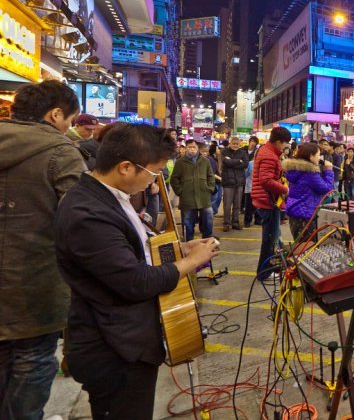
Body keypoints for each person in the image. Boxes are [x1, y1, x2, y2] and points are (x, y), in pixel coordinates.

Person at [54, 124, 219, 419]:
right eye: (153, 171)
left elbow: (135, 251)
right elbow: (135, 281)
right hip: (113, 348)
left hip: (127, 339)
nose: (155, 180)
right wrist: (193, 262)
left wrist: (182, 249)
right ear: (126, 167)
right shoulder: (87, 214)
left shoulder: (112, 197)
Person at [0, 81, 85, 419]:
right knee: (33, 361)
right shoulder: (61, 152)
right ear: (55, 114)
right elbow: (79, 223)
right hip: (35, 284)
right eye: (69, 120)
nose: (69, 128)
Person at [252, 127, 292, 279]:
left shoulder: (266, 151)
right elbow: (266, 180)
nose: (286, 146)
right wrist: (285, 189)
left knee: (272, 238)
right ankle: (264, 273)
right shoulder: (269, 155)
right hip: (268, 202)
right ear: (277, 142)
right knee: (269, 240)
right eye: (284, 143)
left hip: (265, 200)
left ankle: (269, 268)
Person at [284, 143, 334, 243]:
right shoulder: (310, 173)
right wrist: (328, 171)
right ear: (311, 156)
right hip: (306, 214)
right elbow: (326, 189)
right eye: (318, 155)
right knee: (307, 247)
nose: (320, 158)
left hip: (295, 211)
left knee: (300, 246)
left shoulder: (295, 169)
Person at [170, 139, 216, 242]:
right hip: (187, 198)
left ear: (197, 148)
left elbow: (211, 176)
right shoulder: (180, 162)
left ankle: (207, 242)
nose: (192, 149)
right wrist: (180, 191)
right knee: (187, 223)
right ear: (186, 148)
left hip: (204, 197)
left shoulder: (205, 161)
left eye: (193, 147)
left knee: (208, 221)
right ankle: (189, 243)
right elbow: (174, 179)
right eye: (189, 147)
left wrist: (210, 188)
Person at [221, 137, 249, 232]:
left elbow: (245, 164)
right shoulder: (224, 152)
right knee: (227, 205)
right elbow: (226, 162)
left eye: (237, 144)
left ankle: (235, 223)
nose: (235, 145)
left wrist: (232, 162)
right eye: (234, 144)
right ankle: (226, 223)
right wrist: (238, 161)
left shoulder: (243, 153)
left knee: (237, 205)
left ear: (239, 144)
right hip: (228, 183)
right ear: (230, 143)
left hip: (239, 182)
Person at [205, 143, 223, 216]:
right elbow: (212, 172)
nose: (219, 150)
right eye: (218, 149)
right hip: (214, 182)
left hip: (218, 182)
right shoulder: (211, 159)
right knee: (215, 199)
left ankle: (212, 212)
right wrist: (220, 178)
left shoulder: (216, 158)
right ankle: (211, 213)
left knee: (217, 198)